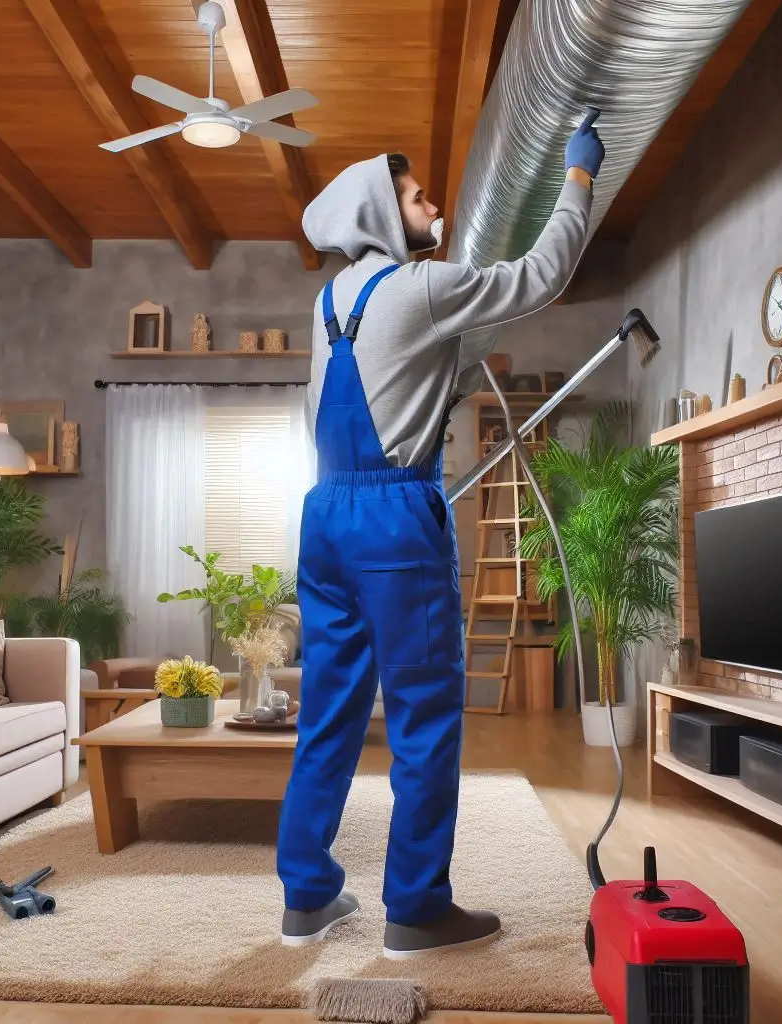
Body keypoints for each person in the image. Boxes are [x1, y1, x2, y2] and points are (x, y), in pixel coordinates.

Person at [276, 117, 605, 959]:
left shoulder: (329, 303)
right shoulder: (418, 287)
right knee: (423, 717)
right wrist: (576, 177)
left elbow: (381, 386)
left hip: (324, 518)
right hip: (392, 517)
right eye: (418, 196)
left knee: (330, 714)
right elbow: (542, 274)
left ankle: (307, 897)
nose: (434, 205)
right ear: (382, 213)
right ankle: (416, 911)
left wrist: (444, 384)